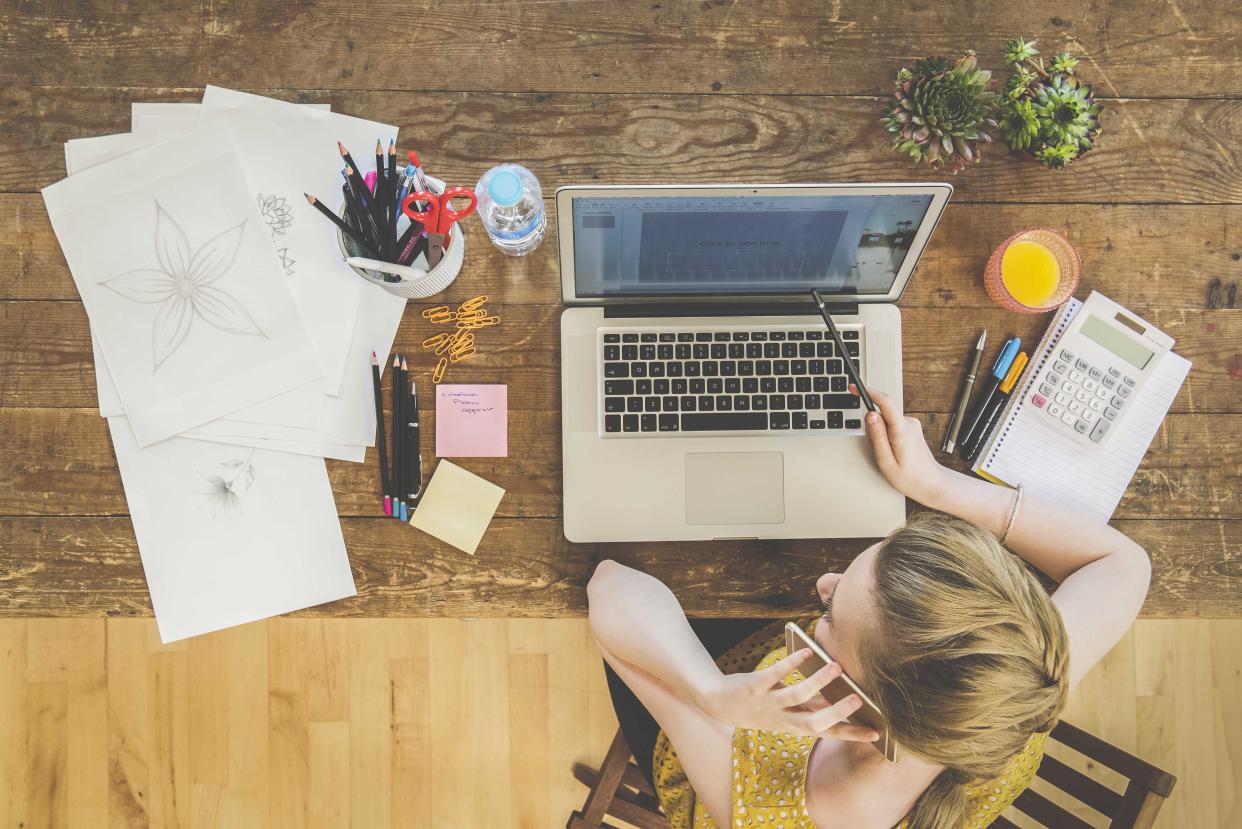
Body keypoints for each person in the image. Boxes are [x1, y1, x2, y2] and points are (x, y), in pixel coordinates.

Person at [587, 387, 1151, 829]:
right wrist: (936, 484)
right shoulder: (1011, 681)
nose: (823, 583)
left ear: (859, 708)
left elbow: (609, 590)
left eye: (831, 616)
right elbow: (1123, 563)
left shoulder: (777, 806)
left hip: (718, 737)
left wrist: (708, 693)